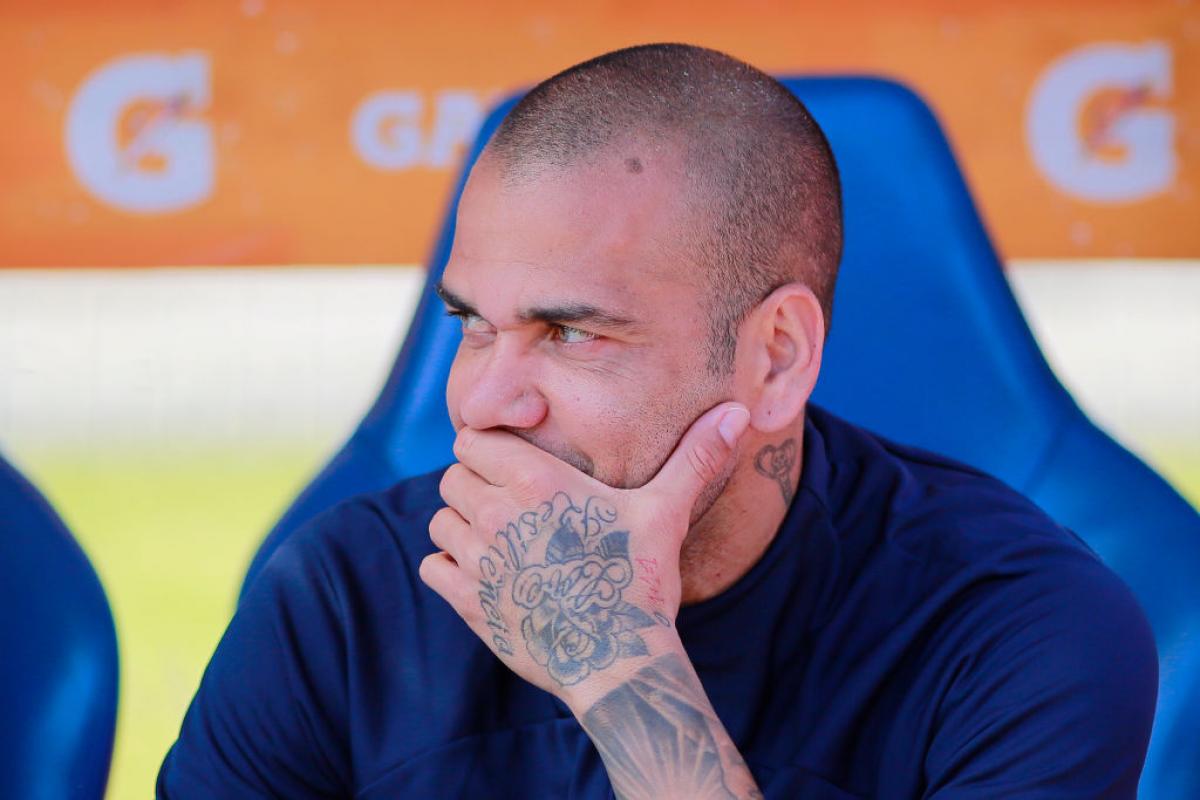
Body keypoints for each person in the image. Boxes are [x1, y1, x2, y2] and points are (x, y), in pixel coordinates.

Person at [157, 44, 1157, 799]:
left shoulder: (1020, 632)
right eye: (472, 325)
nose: (482, 403)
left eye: (570, 332)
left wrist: (619, 672)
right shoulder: (340, 600)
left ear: (776, 358)